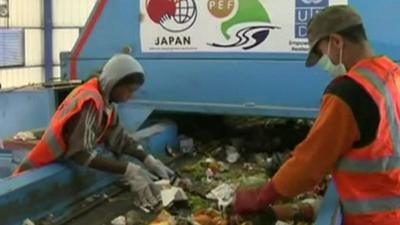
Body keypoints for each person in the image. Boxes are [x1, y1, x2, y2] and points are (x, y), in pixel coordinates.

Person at [232, 5, 400, 225]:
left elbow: (309, 165)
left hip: (372, 218)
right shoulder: (390, 72)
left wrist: (261, 197)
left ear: (337, 42)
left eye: (322, 52)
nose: (324, 61)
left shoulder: (348, 93)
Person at [13, 54, 174, 209]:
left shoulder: (107, 103)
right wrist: (128, 170)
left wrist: (147, 159)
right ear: (114, 82)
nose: (130, 96)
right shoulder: (90, 100)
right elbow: (80, 153)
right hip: (35, 173)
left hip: (52, 169)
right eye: (129, 90)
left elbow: (120, 139)